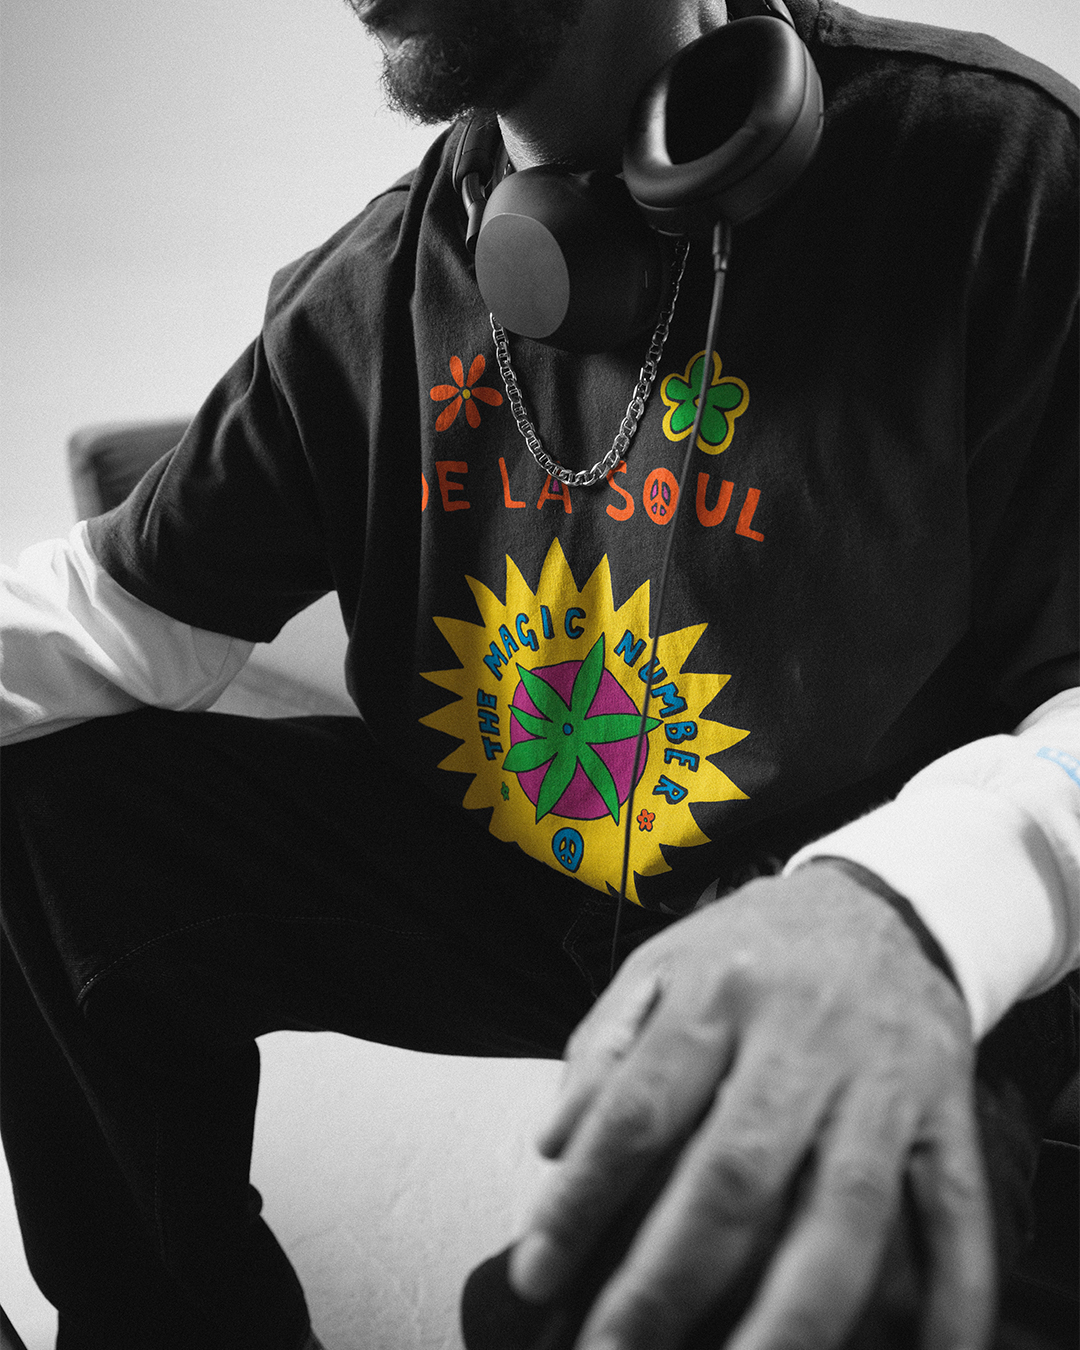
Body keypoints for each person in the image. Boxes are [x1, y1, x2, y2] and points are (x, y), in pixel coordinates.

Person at [1, 1, 1077, 1347]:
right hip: (528, 872)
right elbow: (107, 609)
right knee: (48, 811)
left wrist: (904, 907)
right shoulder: (376, 287)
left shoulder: (995, 172)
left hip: (866, 916)